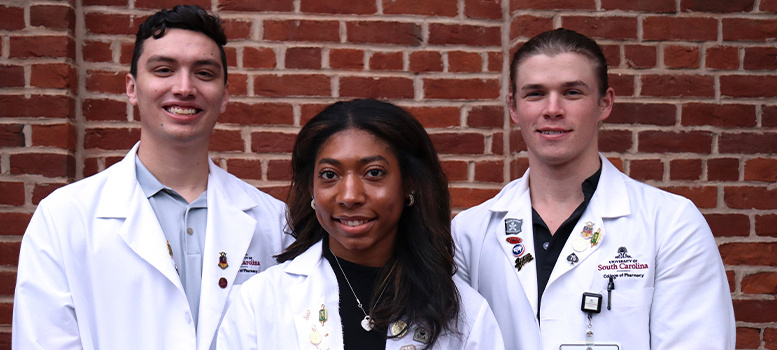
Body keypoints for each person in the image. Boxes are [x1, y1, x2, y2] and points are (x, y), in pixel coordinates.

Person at [12, 5, 291, 350]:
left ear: (224, 95)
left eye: (204, 73)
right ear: (132, 87)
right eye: (164, 69)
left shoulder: (272, 222)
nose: (184, 87)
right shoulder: (64, 218)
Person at [452, 28, 735, 350]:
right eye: (535, 93)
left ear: (605, 103)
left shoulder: (670, 223)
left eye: (572, 92)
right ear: (514, 107)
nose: (553, 109)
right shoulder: (470, 233)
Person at [217, 99, 505, 350]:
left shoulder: (464, 312)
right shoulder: (261, 300)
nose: (350, 196)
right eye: (330, 175)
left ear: (409, 184)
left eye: (374, 173)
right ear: (311, 189)